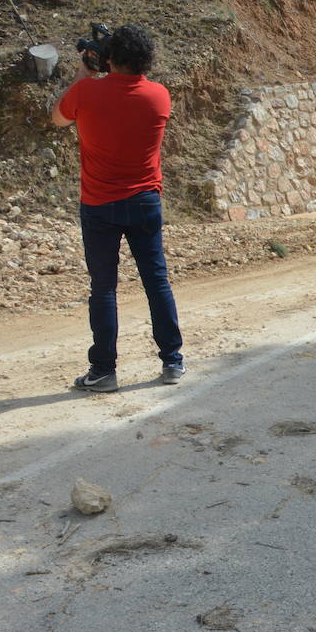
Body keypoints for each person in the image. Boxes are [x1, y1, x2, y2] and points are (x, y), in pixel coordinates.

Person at [51, 25, 184, 392]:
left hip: (98, 204)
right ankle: (172, 362)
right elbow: (132, 92)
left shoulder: (86, 91)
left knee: (104, 288)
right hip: (144, 201)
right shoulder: (160, 96)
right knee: (156, 281)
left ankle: (104, 371)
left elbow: (58, 118)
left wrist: (86, 72)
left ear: (110, 58)